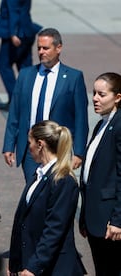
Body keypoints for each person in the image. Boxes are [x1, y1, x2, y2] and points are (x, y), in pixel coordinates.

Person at [2, 28, 89, 185]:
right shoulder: (26, 75)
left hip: (58, 148)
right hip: (31, 149)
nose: (41, 52)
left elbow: (81, 118)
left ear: (59, 48)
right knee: (33, 191)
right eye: (39, 48)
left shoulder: (73, 78)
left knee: (55, 192)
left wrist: (79, 152)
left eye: (46, 48)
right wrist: (9, 144)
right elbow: (15, 112)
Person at [9, 120, 85, 275]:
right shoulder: (39, 173)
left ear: (40, 144)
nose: (27, 147)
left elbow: (54, 229)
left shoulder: (63, 181)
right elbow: (23, 220)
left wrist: (33, 266)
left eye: (29, 142)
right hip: (33, 260)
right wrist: (15, 262)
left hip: (54, 266)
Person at [79, 72, 121, 275]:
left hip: (110, 221)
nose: (95, 98)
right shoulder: (101, 124)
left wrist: (118, 220)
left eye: (101, 94)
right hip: (95, 217)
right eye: (94, 93)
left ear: (118, 97)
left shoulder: (120, 126)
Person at [0, 0, 42, 110]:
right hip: (27, 31)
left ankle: (15, 100)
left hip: (16, 34)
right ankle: (28, 99)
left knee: (4, 64)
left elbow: (13, 11)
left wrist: (13, 33)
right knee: (24, 67)